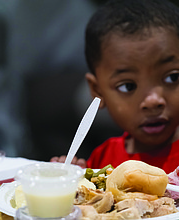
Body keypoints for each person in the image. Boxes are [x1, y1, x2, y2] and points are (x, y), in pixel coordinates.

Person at [50, 0, 179, 174]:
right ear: (98, 91)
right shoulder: (103, 160)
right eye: (128, 86)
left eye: (172, 77)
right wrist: (76, 181)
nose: (153, 101)